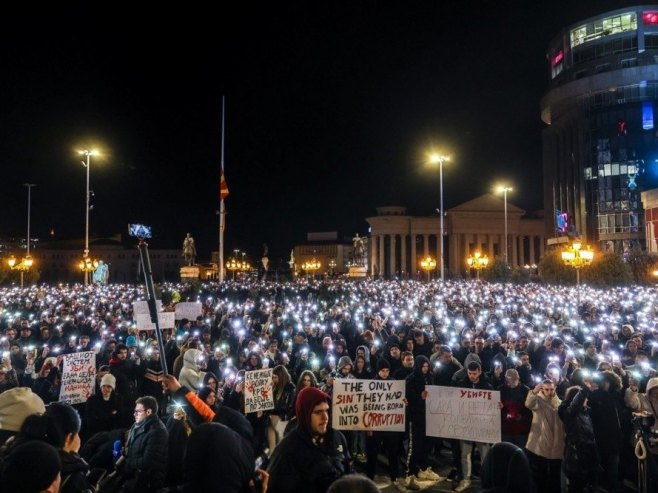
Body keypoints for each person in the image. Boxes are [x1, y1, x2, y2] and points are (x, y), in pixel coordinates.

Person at [267, 386, 351, 493]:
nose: (325, 417)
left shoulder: (337, 437)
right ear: (304, 414)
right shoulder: (287, 449)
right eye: (318, 412)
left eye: (327, 410)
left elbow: (348, 471)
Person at [453, 360, 492, 492]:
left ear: (480, 372)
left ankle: (486, 481)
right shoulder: (460, 385)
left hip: (482, 426)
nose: (472, 376)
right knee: (465, 454)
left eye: (474, 373)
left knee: (485, 455)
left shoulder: (487, 386)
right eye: (470, 373)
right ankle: (466, 479)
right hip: (466, 426)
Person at [405, 355, 443, 488]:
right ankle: (410, 472)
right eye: (423, 367)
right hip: (416, 418)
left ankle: (423, 468)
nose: (426, 369)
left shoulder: (430, 377)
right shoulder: (411, 379)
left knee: (428, 443)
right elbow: (407, 399)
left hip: (429, 416)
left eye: (427, 366)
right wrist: (419, 397)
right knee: (415, 445)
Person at [121, 396, 168, 492]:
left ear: (148, 412)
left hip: (146, 483)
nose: (134, 414)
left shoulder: (158, 431)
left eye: (138, 411)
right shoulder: (136, 425)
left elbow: (149, 462)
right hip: (133, 477)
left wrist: (127, 463)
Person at [525, 379, 564, 493]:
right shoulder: (538, 401)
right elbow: (528, 404)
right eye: (547, 389)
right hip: (540, 446)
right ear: (542, 389)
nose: (549, 392)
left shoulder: (559, 403)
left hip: (556, 446)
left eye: (552, 389)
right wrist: (533, 392)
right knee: (540, 476)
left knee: (554, 476)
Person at [559, 384, 599, 493]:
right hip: (576, 457)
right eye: (585, 397)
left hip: (587, 455)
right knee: (575, 488)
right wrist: (584, 390)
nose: (587, 399)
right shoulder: (569, 413)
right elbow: (574, 406)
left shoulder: (585, 413)